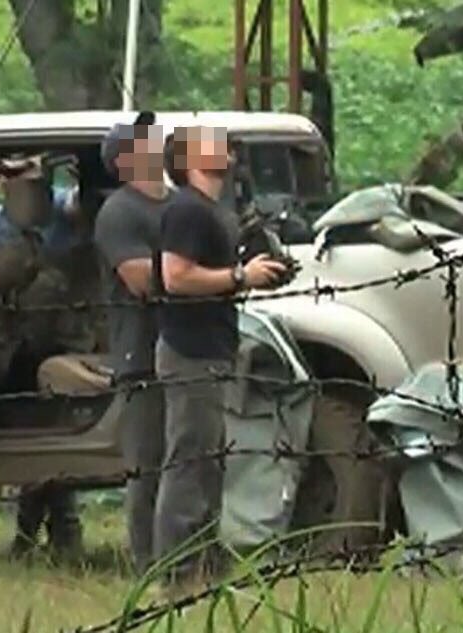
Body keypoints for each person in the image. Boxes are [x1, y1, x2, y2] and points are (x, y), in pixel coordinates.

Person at [155, 125, 286, 588]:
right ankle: (177, 573)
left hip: (210, 348)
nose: (225, 145)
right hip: (190, 351)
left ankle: (205, 567)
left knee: (209, 463)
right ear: (190, 157)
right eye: (211, 140)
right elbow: (176, 278)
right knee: (189, 463)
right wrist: (239, 276)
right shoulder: (188, 209)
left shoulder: (211, 210)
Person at [0, 155, 85, 562]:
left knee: (50, 434)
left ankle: (50, 534)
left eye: (27, 171)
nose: (18, 181)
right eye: (9, 172)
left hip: (65, 337)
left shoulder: (62, 207)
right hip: (16, 346)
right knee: (35, 437)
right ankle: (51, 533)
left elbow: (80, 209)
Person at [92, 111, 171, 576]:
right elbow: (142, 280)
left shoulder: (181, 202)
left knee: (193, 460)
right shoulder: (120, 212)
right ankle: (149, 564)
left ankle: (191, 553)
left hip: (190, 348)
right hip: (142, 352)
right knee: (148, 465)